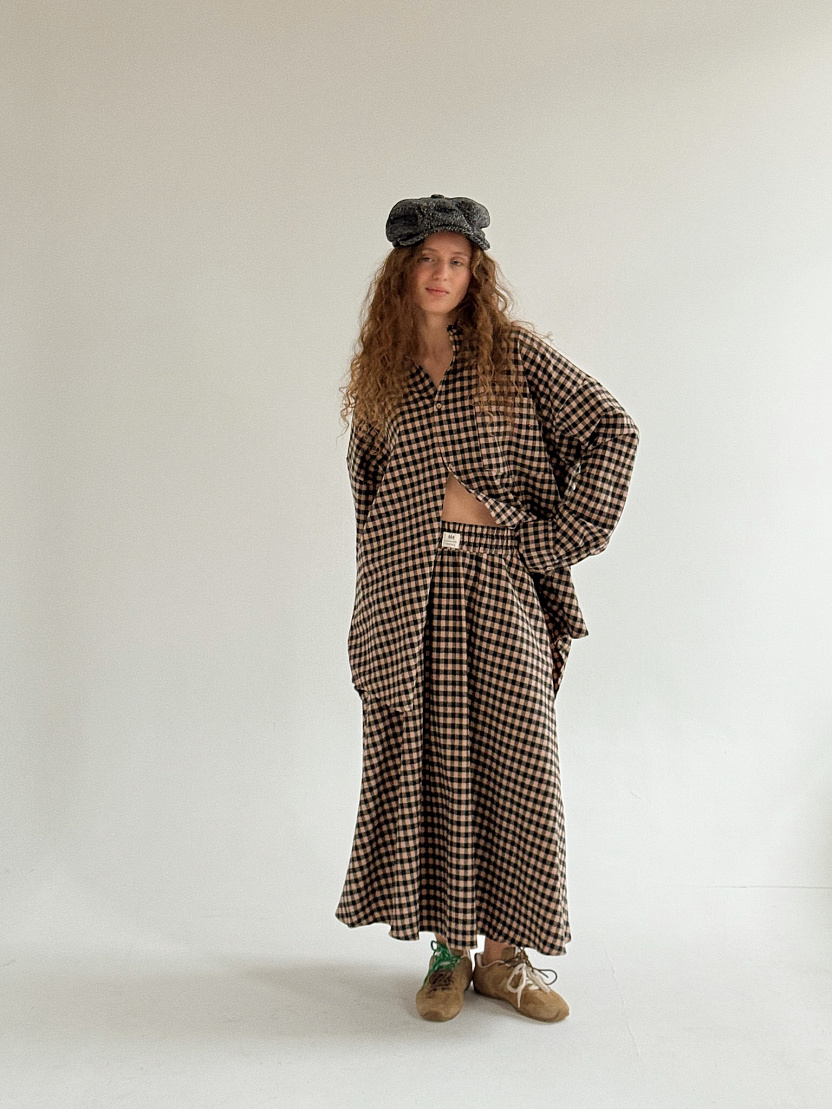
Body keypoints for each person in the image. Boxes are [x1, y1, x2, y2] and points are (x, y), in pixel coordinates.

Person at [336, 194, 638, 1022]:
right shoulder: (380, 373)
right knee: (433, 766)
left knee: (517, 765)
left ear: (477, 272)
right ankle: (449, 953)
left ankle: (506, 960)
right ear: (402, 272)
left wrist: (540, 538)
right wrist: (372, 609)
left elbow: (613, 430)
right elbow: (368, 503)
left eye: (457, 261)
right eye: (427, 260)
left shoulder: (515, 357)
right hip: (409, 599)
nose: (441, 274)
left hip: (502, 593)